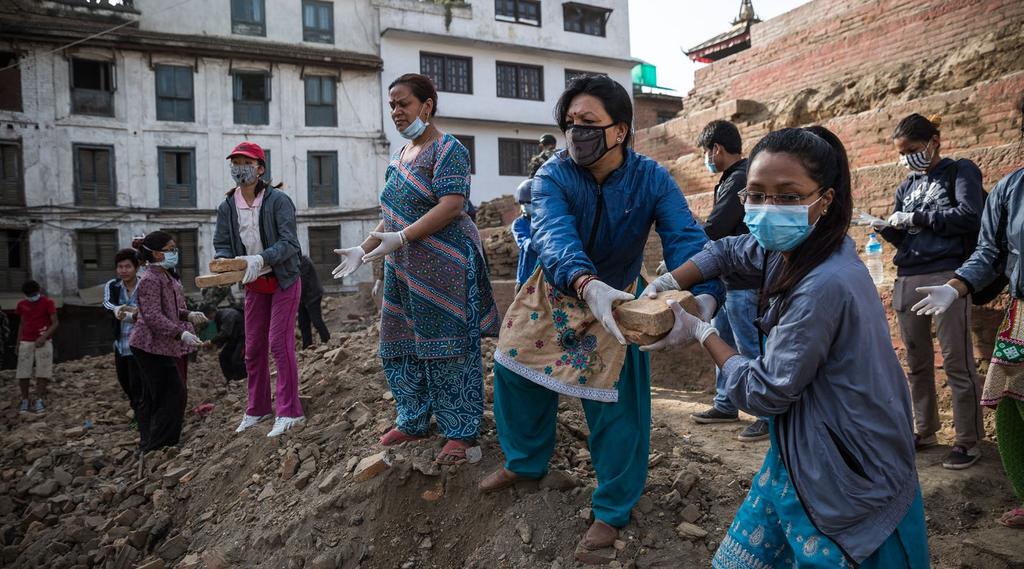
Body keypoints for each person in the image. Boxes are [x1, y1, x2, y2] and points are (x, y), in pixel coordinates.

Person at [646, 126, 928, 567]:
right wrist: (671, 282)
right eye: (755, 195)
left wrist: (704, 332)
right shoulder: (793, 250)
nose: (767, 208)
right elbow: (727, 251)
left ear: (825, 199)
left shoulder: (822, 284)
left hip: (845, 463)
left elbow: (766, 391)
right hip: (802, 451)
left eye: (789, 195)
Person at [477, 75, 723, 557]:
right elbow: (552, 234)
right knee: (513, 371)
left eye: (589, 123)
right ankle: (525, 462)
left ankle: (612, 509)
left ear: (621, 131)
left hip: (620, 298)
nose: (577, 134)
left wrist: (704, 296)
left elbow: (686, 239)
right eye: (570, 124)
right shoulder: (553, 175)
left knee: (617, 402)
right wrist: (586, 285)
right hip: (558, 290)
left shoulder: (651, 178)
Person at [333, 73, 499, 464]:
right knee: (399, 343)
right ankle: (413, 418)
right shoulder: (399, 157)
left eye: (402, 103)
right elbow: (390, 216)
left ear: (426, 105)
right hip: (403, 270)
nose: (395, 111)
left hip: (444, 267)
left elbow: (451, 205)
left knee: (449, 348)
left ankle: (460, 430)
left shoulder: (448, 149)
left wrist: (404, 237)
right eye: (391, 105)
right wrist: (364, 247)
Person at [913, 92, 1024, 527]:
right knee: (1015, 408)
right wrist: (955, 287)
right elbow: (988, 253)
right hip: (1022, 314)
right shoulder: (1012, 189)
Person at [874, 113, 985, 469]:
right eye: (902, 153)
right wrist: (884, 227)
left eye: (913, 149)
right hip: (908, 274)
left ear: (934, 141)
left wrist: (918, 218)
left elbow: (970, 215)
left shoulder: (959, 171)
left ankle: (967, 440)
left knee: (957, 360)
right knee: (917, 362)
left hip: (947, 275)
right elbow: (904, 235)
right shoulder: (906, 186)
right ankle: (925, 429)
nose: (908, 158)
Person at [214, 141, 306, 438]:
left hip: (283, 280)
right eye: (235, 162)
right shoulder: (228, 206)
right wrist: (224, 260)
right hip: (254, 285)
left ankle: (290, 411)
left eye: (246, 162)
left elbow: (290, 243)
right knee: (252, 349)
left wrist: (261, 258)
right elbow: (223, 244)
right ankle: (257, 408)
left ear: (260, 168)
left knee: (279, 344)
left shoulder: (278, 201)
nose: (239, 168)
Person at [689, 119, 768, 442]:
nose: (706, 158)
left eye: (706, 152)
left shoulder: (740, 178)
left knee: (749, 347)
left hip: (744, 279)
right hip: (729, 280)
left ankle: (765, 412)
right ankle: (725, 402)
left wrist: (688, 255)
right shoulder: (734, 177)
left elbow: (716, 228)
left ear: (716, 149)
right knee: (721, 341)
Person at [129, 231, 206, 452]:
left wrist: (188, 315)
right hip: (149, 346)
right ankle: (159, 446)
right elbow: (152, 316)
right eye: (170, 250)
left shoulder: (166, 276)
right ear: (155, 254)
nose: (175, 253)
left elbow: (172, 309)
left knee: (173, 394)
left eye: (175, 249)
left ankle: (165, 443)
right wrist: (180, 333)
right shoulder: (150, 279)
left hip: (163, 345)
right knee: (171, 395)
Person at [103, 248, 143, 421]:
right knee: (125, 381)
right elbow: (106, 303)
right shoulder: (113, 286)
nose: (123, 271)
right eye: (120, 267)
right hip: (121, 344)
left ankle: (141, 415)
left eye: (128, 266)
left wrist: (137, 313)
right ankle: (137, 410)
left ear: (136, 268)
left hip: (141, 344)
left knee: (139, 382)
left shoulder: (144, 284)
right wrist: (116, 308)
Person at [15, 280, 57, 414]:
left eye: (33, 294)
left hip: (44, 341)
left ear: (38, 291)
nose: (32, 297)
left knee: (43, 371)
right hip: (26, 341)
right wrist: (17, 342)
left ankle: (39, 399)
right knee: (23, 372)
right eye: (29, 295)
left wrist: (43, 337)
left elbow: (55, 323)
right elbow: (22, 323)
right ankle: (25, 400)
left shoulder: (48, 302)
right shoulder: (21, 304)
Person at [203, 304, 247, 383]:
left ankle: (244, 378)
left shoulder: (226, 315)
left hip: (243, 338)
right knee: (223, 357)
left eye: (207, 316)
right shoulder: (219, 317)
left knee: (236, 360)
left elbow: (225, 332)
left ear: (211, 313)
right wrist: (216, 344)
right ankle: (231, 379)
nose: (208, 319)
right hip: (235, 339)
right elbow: (223, 336)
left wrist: (211, 341)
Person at [511, 178, 539, 293]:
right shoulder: (519, 223)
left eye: (529, 202)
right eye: (522, 203)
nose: (525, 206)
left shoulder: (546, 222)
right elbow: (525, 243)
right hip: (525, 278)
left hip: (543, 278)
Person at [298, 254, 330, 349]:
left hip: (312, 295)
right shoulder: (296, 261)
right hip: (302, 297)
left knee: (316, 320)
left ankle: (327, 342)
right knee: (303, 323)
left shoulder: (304, 261)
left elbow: (302, 281)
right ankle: (307, 346)